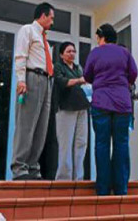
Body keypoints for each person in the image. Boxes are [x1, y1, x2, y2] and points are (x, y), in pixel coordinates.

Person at [84, 23, 138, 195]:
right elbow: (133, 73)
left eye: (98, 38)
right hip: (122, 103)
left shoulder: (95, 53)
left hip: (101, 103)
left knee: (102, 144)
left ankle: (103, 190)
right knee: (121, 144)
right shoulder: (125, 53)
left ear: (102, 37)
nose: (97, 41)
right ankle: (121, 189)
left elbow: (87, 75)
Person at [10, 2, 55, 180]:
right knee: (26, 125)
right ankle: (19, 167)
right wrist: (21, 80)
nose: (52, 22)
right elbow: (21, 56)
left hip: (46, 80)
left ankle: (33, 167)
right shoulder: (27, 30)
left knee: (41, 127)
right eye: (51, 18)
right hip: (32, 78)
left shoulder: (45, 40)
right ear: (43, 16)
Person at [54, 41, 90, 180]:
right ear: (61, 54)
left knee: (81, 143)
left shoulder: (78, 68)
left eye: (73, 51)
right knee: (66, 143)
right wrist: (78, 80)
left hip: (82, 108)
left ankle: (78, 178)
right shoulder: (58, 67)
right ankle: (64, 178)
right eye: (68, 51)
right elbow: (62, 82)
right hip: (66, 108)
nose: (72, 54)